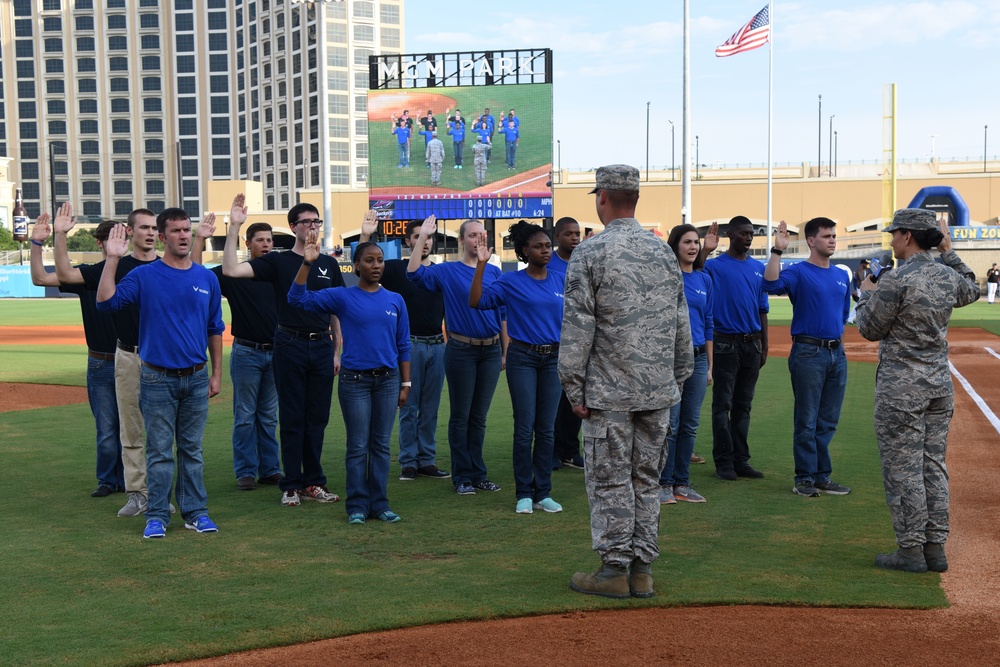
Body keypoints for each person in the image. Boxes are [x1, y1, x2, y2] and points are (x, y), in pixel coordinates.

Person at [560, 164, 693, 599]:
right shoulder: (662, 253)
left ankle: (614, 568)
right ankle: (642, 569)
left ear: (603, 198)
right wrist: (674, 379)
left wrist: (574, 388)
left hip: (609, 392)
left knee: (610, 480)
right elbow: (681, 325)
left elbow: (578, 327)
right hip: (657, 391)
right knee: (647, 481)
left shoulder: (590, 253)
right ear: (633, 199)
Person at [855, 209, 979, 573]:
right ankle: (935, 548)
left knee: (903, 468)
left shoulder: (896, 279)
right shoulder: (947, 275)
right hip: (939, 385)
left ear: (907, 236)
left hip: (902, 388)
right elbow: (970, 285)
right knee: (933, 465)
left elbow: (869, 329)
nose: (891, 240)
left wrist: (865, 294)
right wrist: (948, 250)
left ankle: (910, 550)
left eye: (894, 234)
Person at [97, 209, 225, 539]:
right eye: (176, 231)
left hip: (196, 376)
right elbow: (106, 303)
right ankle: (156, 515)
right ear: (163, 238)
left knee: (192, 451)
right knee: (158, 452)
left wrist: (217, 373)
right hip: (156, 378)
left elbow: (215, 328)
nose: (183, 236)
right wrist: (112, 259)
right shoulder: (144, 276)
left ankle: (196, 512)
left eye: (187, 230)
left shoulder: (207, 278)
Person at [222, 194, 344, 507]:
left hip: (321, 344)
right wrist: (235, 226)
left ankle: (313, 482)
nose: (313, 226)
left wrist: (337, 350)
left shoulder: (329, 263)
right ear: (293, 227)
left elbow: (337, 310)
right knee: (291, 417)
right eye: (307, 222)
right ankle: (291, 484)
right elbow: (231, 271)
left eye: (317, 221)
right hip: (289, 342)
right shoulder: (278, 261)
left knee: (317, 418)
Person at [289, 238, 412, 525]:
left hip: (388, 380)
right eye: (369, 260)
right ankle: (357, 505)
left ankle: (380, 504)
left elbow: (403, 344)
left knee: (381, 446)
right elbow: (296, 299)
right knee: (358, 446)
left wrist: (406, 384)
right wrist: (307, 263)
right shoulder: (342, 296)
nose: (376, 265)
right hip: (355, 381)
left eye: (380, 260)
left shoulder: (395, 299)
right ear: (356, 266)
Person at [56, 207, 160, 517]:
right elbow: (64, 275)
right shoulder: (111, 266)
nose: (151, 233)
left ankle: (159, 491)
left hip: (160, 357)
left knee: (160, 431)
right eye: (144, 227)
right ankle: (136, 493)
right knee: (127, 430)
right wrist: (60, 235)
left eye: (155, 227)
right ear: (130, 231)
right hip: (124, 355)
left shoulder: (168, 266)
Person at [408, 216, 508, 496]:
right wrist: (425, 236)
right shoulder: (447, 271)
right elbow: (413, 274)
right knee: (461, 416)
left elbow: (502, 314)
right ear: (462, 239)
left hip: (490, 351)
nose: (478, 239)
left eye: (482, 235)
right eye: (473, 235)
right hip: (461, 350)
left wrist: (504, 350)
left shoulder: (494, 272)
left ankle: (479, 474)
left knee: (479, 418)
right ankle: (462, 476)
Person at [470, 220, 564, 515]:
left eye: (548, 245)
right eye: (538, 246)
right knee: (525, 428)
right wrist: (482, 265)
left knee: (546, 429)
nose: (545, 250)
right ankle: (524, 492)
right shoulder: (511, 281)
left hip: (553, 359)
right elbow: (477, 301)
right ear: (525, 251)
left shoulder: (561, 280)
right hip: (522, 357)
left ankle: (543, 492)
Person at [30, 208, 123, 498]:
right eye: (111, 237)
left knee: (138, 428)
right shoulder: (91, 275)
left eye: (123, 235)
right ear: (100, 243)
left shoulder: (141, 270)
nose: (118, 240)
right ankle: (108, 480)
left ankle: (137, 480)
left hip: (137, 360)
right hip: (102, 362)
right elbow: (40, 279)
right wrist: (37, 244)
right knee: (107, 430)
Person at [764, 218, 853, 498]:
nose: (832, 240)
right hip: (808, 353)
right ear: (811, 241)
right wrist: (777, 251)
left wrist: (840, 349)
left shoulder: (841, 275)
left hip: (836, 354)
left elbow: (841, 317)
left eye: (834, 235)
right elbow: (770, 285)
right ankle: (804, 478)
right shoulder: (799, 272)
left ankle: (822, 476)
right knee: (807, 419)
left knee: (828, 420)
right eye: (826, 236)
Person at [191, 218, 282, 491]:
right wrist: (200, 239)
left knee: (268, 416)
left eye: (269, 240)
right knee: (244, 415)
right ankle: (245, 471)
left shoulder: (278, 271)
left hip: (276, 352)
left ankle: (270, 469)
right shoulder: (234, 274)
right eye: (260, 240)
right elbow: (195, 272)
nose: (266, 244)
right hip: (246, 352)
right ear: (248, 244)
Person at [359, 216, 450, 482]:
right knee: (409, 406)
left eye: (430, 237)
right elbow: (361, 269)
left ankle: (427, 460)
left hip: (437, 344)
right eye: (419, 236)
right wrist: (366, 235)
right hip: (408, 346)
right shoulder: (397, 269)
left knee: (430, 408)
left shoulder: (439, 272)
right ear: (407, 241)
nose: (425, 241)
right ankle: (409, 461)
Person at [704, 216, 769, 481]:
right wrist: (707, 248)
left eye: (751, 234)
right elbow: (692, 271)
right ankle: (723, 461)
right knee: (723, 404)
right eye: (743, 233)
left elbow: (762, 308)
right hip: (724, 343)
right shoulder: (714, 267)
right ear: (730, 234)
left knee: (744, 405)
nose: (749, 238)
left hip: (751, 343)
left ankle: (741, 460)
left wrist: (765, 345)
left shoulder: (758, 268)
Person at [659, 224, 714, 505]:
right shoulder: (667, 279)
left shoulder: (704, 280)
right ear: (675, 246)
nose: (693, 247)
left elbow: (708, 324)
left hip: (699, 359)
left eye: (696, 242)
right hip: (671, 359)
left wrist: (710, 366)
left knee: (690, 425)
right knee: (671, 424)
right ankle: (664, 483)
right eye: (687, 242)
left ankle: (682, 482)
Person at [547, 217, 584, 471]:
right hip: (553, 342)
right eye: (569, 233)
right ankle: (550, 451)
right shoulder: (548, 263)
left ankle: (570, 450)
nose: (574, 237)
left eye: (577, 233)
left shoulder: (584, 261)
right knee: (551, 402)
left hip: (579, 343)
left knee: (576, 400)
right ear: (557, 237)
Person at [848, 259, 870, 323]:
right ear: (862, 264)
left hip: (864, 289)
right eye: (865, 264)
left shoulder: (867, 272)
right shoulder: (857, 271)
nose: (866, 265)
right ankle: (851, 318)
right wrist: (855, 290)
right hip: (858, 289)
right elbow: (855, 281)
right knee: (858, 303)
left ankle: (857, 318)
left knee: (863, 304)